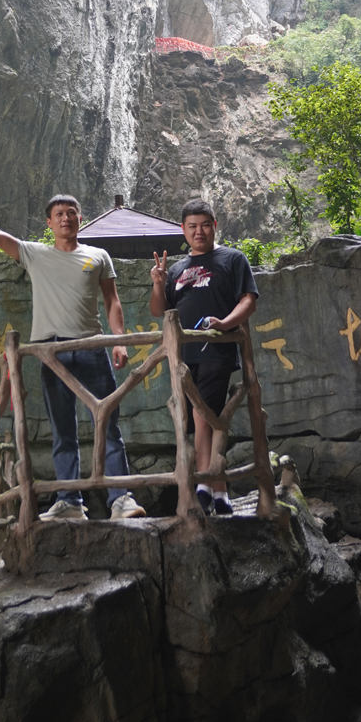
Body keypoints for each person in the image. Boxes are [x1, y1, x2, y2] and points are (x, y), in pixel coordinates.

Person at [0, 188, 146, 521]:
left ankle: (121, 498)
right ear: (49, 222)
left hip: (92, 347)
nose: (66, 218)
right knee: (62, 429)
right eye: (59, 214)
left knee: (107, 423)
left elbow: (112, 301)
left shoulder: (98, 256)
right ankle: (69, 502)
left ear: (81, 218)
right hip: (52, 352)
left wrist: (119, 341)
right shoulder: (34, 253)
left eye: (72, 212)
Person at [149, 199, 258, 517]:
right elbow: (159, 310)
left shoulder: (233, 258)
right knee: (203, 418)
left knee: (202, 413)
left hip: (215, 349)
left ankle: (203, 485)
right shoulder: (176, 269)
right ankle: (220, 492)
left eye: (205, 225)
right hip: (183, 355)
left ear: (215, 225)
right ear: (183, 230)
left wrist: (225, 324)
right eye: (192, 226)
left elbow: (248, 300)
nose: (199, 231)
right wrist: (158, 283)